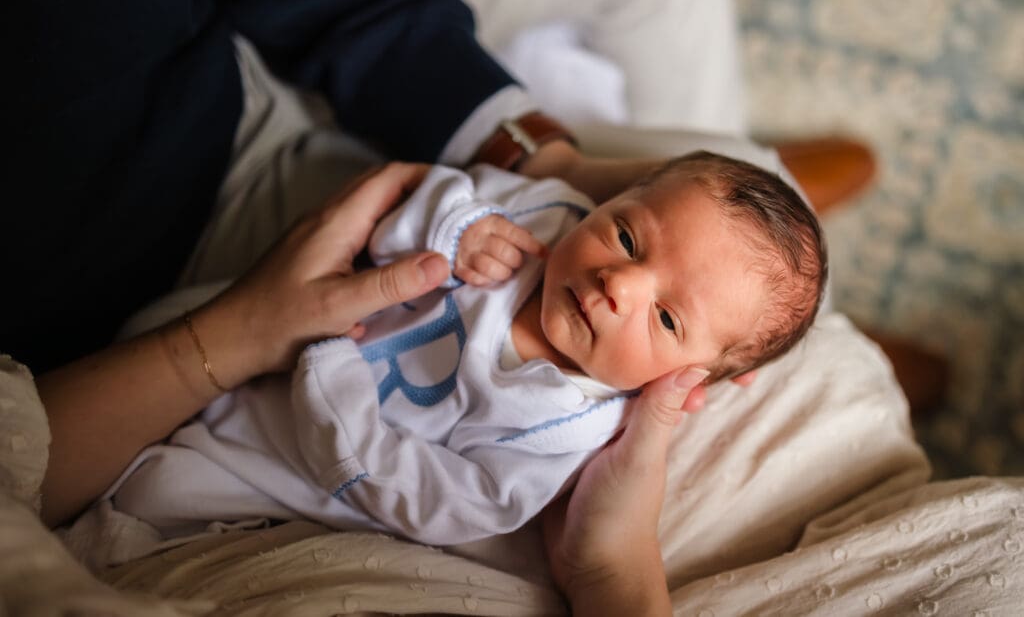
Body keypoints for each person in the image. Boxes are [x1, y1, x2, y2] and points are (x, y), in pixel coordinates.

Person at [108, 152, 825, 546]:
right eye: (629, 236)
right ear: (611, 199)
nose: (620, 283)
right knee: (141, 333)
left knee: (145, 496)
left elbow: (445, 501)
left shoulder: (565, 427)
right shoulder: (547, 217)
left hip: (278, 461)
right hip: (250, 319)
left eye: (667, 318)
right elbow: (422, 196)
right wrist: (458, 223)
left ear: (690, 377)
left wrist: (337, 388)